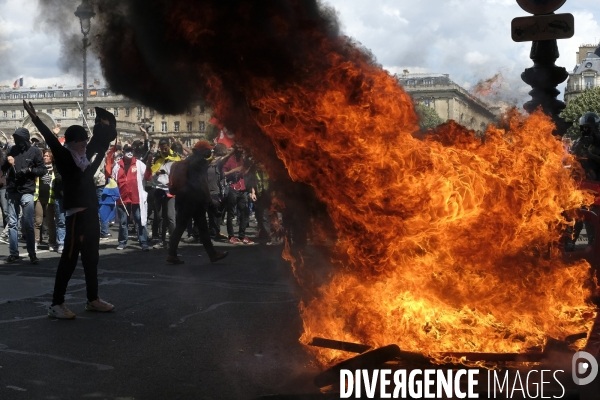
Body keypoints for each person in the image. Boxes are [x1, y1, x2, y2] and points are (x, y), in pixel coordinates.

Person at [24, 100, 116, 319]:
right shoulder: (66, 158)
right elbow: (51, 140)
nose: (86, 145)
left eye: (86, 141)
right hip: (76, 216)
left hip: (90, 213)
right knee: (70, 259)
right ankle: (56, 304)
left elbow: (100, 140)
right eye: (82, 142)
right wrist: (36, 119)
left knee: (91, 259)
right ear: (72, 142)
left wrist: (105, 123)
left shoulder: (85, 155)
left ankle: (93, 299)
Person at [166, 140, 228, 264]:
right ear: (202, 150)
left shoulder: (190, 159)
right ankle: (212, 254)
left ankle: (173, 254)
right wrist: (210, 200)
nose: (210, 151)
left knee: (184, 227)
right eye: (207, 149)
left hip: (183, 197)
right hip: (194, 199)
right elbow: (203, 182)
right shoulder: (201, 162)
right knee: (200, 227)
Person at [1, 127, 45, 264]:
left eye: (20, 139)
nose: (17, 141)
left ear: (25, 139)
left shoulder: (35, 151)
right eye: (16, 139)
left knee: (28, 223)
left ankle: (32, 253)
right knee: (12, 223)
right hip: (13, 190)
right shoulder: (13, 150)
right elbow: (2, 168)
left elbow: (42, 169)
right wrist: (7, 162)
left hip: (27, 191)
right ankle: (14, 253)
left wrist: (30, 170)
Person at [112, 143, 149, 251]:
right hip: (122, 199)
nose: (129, 152)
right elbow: (113, 180)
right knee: (124, 222)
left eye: (131, 151)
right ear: (123, 152)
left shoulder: (139, 164)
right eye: (127, 150)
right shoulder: (117, 165)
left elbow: (147, 177)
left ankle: (143, 241)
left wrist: (150, 168)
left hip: (136, 198)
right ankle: (122, 242)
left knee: (139, 220)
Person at [144, 138, 180, 248]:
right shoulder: (157, 158)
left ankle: (173, 241)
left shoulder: (176, 159)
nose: (164, 151)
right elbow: (151, 174)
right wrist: (156, 173)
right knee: (159, 216)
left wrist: (166, 172)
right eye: (162, 148)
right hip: (159, 189)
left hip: (170, 190)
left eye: (165, 148)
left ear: (169, 146)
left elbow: (178, 174)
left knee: (170, 216)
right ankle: (162, 240)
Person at [34, 150, 66, 253]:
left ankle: (52, 242)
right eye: (44, 156)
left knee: (50, 222)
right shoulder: (40, 168)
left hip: (50, 198)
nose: (45, 157)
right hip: (39, 198)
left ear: (51, 158)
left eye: (48, 156)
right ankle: (36, 241)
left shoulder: (55, 169)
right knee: (38, 221)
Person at [222, 143, 253, 244]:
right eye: (239, 148)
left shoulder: (243, 160)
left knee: (244, 213)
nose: (241, 150)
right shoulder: (229, 160)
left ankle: (242, 235)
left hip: (242, 189)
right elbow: (223, 174)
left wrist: (249, 168)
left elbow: (244, 173)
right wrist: (235, 170)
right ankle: (231, 236)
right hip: (232, 189)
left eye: (242, 148)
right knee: (231, 214)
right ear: (235, 149)